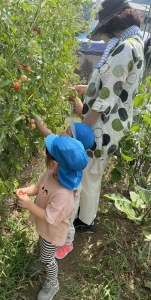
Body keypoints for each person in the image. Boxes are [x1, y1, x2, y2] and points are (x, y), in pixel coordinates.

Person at [70, 0, 144, 238]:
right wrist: (87, 86)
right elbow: (113, 82)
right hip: (113, 122)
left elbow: (105, 98)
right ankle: (85, 215)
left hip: (104, 126)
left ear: (113, 25)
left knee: (90, 174)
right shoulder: (131, 42)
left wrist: (83, 129)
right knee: (93, 172)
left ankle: (84, 221)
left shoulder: (125, 48)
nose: (102, 36)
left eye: (103, 29)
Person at [15, 134, 88, 300]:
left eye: (46, 154)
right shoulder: (50, 174)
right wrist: (26, 190)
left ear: (55, 163)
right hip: (44, 227)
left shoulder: (63, 194)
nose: (44, 157)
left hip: (52, 231)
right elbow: (37, 187)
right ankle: (42, 261)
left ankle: (52, 282)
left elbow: (49, 217)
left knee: (49, 258)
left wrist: (29, 205)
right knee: (43, 248)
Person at [32, 116, 95, 259]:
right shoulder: (66, 154)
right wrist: (38, 122)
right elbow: (48, 134)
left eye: (67, 131)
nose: (63, 132)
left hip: (65, 208)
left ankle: (67, 243)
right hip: (57, 204)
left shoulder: (68, 181)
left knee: (67, 222)